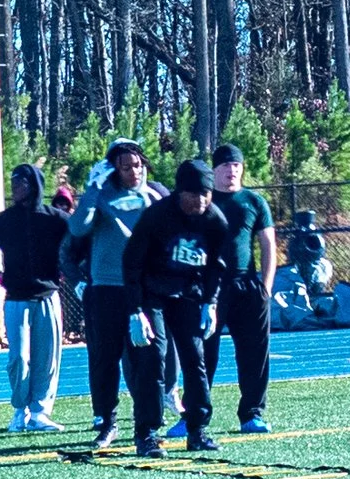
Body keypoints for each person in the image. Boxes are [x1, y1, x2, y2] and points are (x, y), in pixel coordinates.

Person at [120, 157, 232, 455]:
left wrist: (211, 302)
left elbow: (216, 267)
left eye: (206, 194)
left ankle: (198, 428)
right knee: (155, 356)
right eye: (194, 194)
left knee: (196, 358)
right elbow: (131, 263)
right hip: (152, 292)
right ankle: (147, 432)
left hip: (188, 293)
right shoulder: (156, 217)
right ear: (180, 192)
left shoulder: (215, 221)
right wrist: (135, 310)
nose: (201, 200)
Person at [66, 140, 159, 453]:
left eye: (136, 164)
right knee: (104, 361)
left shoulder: (155, 196)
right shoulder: (102, 196)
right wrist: (92, 189)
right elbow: (78, 228)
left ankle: (145, 430)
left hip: (143, 292)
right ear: (113, 169)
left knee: (146, 361)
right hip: (105, 290)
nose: (133, 171)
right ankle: (107, 422)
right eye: (124, 165)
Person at [0, 162, 70, 431]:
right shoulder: (2, 221)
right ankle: (20, 409)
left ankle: (40, 412)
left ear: (33, 184)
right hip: (16, 299)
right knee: (18, 358)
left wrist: (69, 269)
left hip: (48, 296)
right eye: (13, 181)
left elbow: (79, 237)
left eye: (21, 181)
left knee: (47, 357)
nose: (16, 186)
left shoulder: (54, 219)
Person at [207, 143, 277, 433]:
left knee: (254, 353)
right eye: (225, 166)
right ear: (214, 170)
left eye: (236, 166)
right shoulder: (204, 200)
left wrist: (266, 287)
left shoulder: (254, 201)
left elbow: (268, 244)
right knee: (202, 352)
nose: (231, 171)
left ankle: (252, 413)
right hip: (210, 289)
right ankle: (195, 415)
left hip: (247, 286)